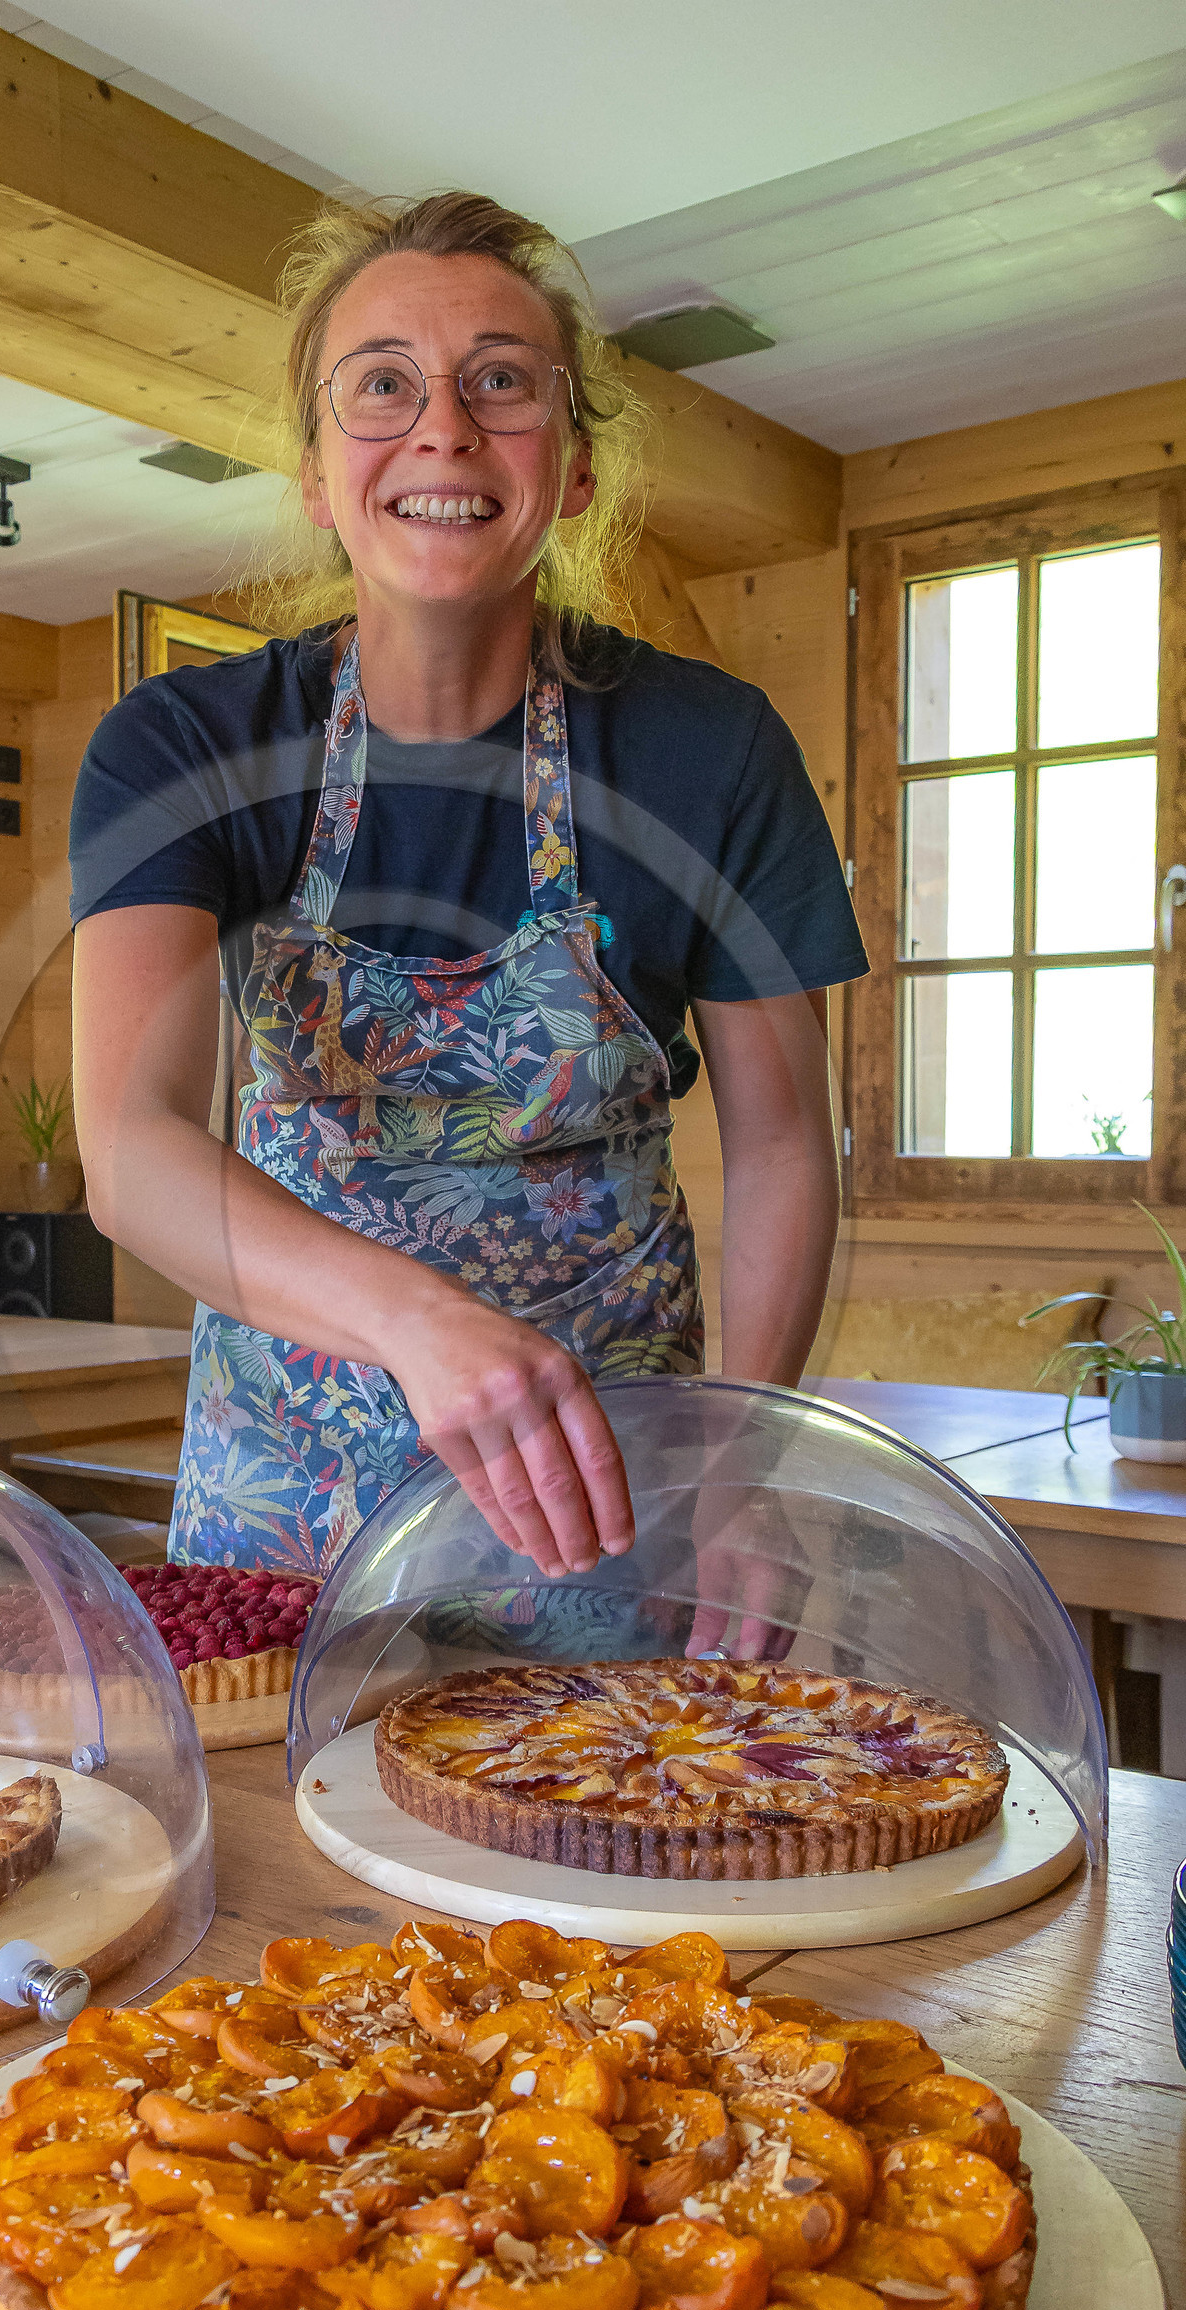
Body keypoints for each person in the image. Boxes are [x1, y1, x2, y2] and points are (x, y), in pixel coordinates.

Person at [70, 190, 867, 1597]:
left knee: (611, 1812)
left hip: (609, 1498)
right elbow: (131, 1154)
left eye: (501, 381)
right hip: (285, 1508)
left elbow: (787, 1146)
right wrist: (424, 1323)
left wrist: (746, 1468)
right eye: (381, 385)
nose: (442, 426)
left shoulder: (708, 748)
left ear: (571, 467)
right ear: (319, 473)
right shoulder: (184, 745)